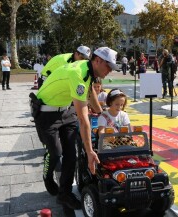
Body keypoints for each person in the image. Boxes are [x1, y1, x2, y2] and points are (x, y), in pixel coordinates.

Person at [34, 47, 118, 210]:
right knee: (55, 153)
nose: (110, 71)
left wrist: (103, 114)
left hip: (65, 110)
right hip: (46, 113)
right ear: (98, 61)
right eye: (109, 66)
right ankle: (47, 175)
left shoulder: (88, 70)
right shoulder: (78, 74)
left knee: (71, 155)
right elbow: (83, 119)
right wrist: (90, 152)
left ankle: (64, 193)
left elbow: (91, 90)